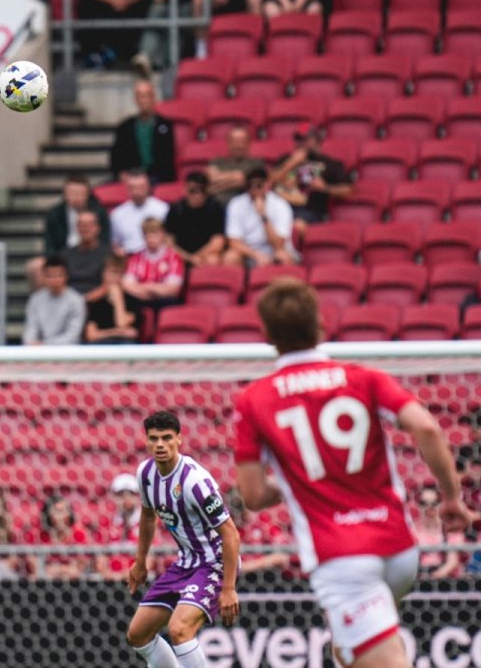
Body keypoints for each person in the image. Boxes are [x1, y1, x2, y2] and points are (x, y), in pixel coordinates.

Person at [234, 278, 471, 668]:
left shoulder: (255, 399)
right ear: (320, 324)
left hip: (341, 557)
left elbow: (254, 495)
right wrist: (451, 498)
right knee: (347, 650)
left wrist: (298, 482)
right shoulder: (364, 377)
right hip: (399, 548)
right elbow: (427, 427)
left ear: (267, 335)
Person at [126, 411, 241, 668]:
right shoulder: (145, 474)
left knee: (179, 630)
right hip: (185, 563)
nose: (160, 445)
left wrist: (229, 588)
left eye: (167, 438)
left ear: (179, 439)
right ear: (146, 441)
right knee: (138, 634)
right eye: (154, 439)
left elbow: (230, 533)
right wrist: (140, 561)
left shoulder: (194, 482)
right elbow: (147, 516)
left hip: (215, 563)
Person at [26, 176, 111, 290]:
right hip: (64, 256)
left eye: (80, 193)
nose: (76, 197)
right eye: (72, 193)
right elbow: (49, 246)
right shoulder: (54, 214)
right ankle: (46, 304)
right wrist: (55, 262)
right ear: (65, 194)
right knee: (35, 266)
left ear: (87, 194)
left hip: (92, 254)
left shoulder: (99, 213)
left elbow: (105, 240)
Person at [270, 124, 352, 237]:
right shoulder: (285, 160)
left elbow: (348, 190)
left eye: (305, 139)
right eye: (298, 139)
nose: (301, 143)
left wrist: (325, 188)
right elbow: (268, 182)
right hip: (279, 208)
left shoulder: (331, 164)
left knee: (295, 226)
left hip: (307, 212)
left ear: (317, 141)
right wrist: (291, 163)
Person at [223, 167, 297, 266]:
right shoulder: (236, 204)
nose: (254, 189)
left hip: (274, 250)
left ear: (268, 184)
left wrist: (263, 216)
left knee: (282, 257)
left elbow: (278, 244)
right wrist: (256, 255)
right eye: (250, 185)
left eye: (259, 185)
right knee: (230, 257)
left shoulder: (281, 205)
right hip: (248, 251)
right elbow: (234, 242)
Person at [110, 82, 176, 184]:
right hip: (132, 176)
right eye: (140, 96)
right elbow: (116, 158)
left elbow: (169, 159)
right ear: (135, 99)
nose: (144, 100)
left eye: (147, 95)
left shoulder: (167, 126)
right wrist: (122, 174)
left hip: (158, 177)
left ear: (154, 98)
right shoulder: (125, 127)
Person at [164, 171, 226, 267]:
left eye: (202, 190)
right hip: (182, 254)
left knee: (213, 260)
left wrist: (197, 257)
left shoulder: (215, 208)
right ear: (185, 190)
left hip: (205, 254)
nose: (198, 195)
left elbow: (218, 243)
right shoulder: (175, 209)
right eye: (193, 191)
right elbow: (169, 243)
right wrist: (189, 258)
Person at [122, 219, 185, 313]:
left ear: (162, 234)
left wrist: (147, 287)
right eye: (147, 235)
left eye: (155, 234)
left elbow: (173, 289)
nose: (151, 238)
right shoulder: (136, 258)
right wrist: (150, 290)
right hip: (140, 298)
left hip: (163, 300)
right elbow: (127, 285)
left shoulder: (174, 257)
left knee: (169, 302)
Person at [25, 495, 94, 580]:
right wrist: (62, 570)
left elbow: (81, 566)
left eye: (64, 511)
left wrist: (57, 570)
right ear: (48, 515)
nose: (61, 517)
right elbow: (33, 566)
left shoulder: (79, 533)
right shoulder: (36, 534)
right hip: (46, 579)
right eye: (57, 512)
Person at [23, 255, 87, 345]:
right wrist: (30, 342)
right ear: (44, 277)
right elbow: (31, 328)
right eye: (50, 276)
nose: (54, 280)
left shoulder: (76, 301)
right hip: (39, 352)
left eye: (58, 276)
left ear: (66, 276)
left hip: (68, 353)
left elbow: (73, 335)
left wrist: (45, 345)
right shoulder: (35, 299)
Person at [77, 0, 152, 68]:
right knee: (87, 5)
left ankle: (117, 55)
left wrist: (129, 0)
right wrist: (110, 0)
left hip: (131, 5)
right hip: (100, 3)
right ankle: (97, 55)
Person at [97, 473, 146, 580]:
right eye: (120, 495)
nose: (126, 498)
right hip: (110, 580)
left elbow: (149, 560)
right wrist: (109, 574)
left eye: (131, 494)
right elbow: (100, 558)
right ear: (113, 497)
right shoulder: (106, 524)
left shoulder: (147, 523)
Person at [110, 170, 170, 257]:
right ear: (127, 189)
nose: (137, 192)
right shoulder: (117, 214)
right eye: (133, 188)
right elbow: (115, 244)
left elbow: (170, 240)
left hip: (158, 258)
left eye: (141, 187)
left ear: (148, 187)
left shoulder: (163, 209)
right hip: (129, 259)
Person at [413, 485, 464, 580]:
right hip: (420, 576)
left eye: (434, 503)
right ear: (418, 506)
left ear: (440, 504)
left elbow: (452, 562)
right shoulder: (413, 531)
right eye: (424, 503)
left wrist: (432, 577)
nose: (429, 507)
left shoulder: (450, 529)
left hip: (447, 579)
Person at [85, 256, 140, 344]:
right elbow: (91, 336)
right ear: (103, 274)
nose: (112, 278)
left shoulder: (133, 301)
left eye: (117, 273)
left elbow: (121, 324)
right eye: (110, 272)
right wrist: (117, 332)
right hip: (101, 346)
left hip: (124, 346)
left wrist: (118, 299)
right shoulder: (96, 303)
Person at [207, 127, 265, 205]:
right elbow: (211, 179)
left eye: (242, 141)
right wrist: (236, 177)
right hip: (217, 209)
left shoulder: (256, 163)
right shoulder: (217, 161)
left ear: (248, 143)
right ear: (228, 143)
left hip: (245, 210)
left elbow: (244, 180)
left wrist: (216, 186)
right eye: (234, 141)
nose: (238, 145)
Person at [62, 211, 112, 301]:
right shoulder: (65, 255)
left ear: (98, 228)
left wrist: (85, 299)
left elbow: (108, 285)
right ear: (77, 229)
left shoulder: (108, 254)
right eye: (82, 225)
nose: (85, 229)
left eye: (90, 225)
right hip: (69, 302)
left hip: (98, 302)